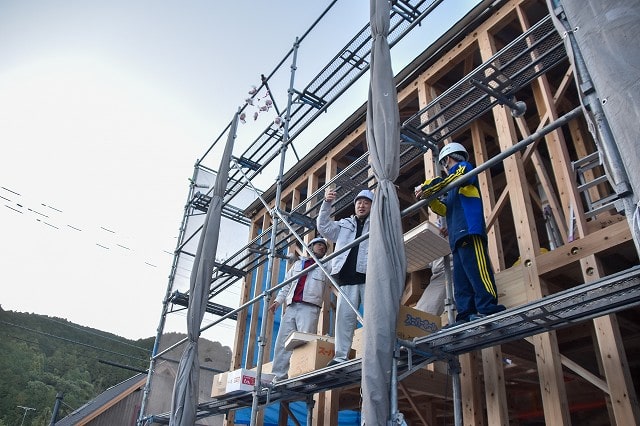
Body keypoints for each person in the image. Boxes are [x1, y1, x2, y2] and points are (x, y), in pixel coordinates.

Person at [415, 142, 505, 327]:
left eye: (444, 165)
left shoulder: (463, 169)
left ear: (447, 159)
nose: (445, 169)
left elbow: (457, 176)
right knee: (461, 279)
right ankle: (465, 314)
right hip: (456, 237)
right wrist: (430, 199)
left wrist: (428, 187)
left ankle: (488, 308)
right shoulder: (452, 189)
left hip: (470, 231)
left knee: (479, 272)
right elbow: (443, 209)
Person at [316, 188, 373, 365]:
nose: (361, 206)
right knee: (344, 320)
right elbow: (323, 227)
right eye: (358, 202)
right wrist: (326, 203)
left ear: (372, 205)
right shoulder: (344, 224)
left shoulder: (378, 222)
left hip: (368, 277)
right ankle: (340, 357)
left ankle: (374, 353)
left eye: (366, 202)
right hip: (346, 279)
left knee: (373, 316)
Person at [269, 237, 329, 381]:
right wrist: (278, 301)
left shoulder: (326, 265)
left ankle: (303, 374)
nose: (322, 248)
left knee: (305, 342)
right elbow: (287, 285)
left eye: (324, 247)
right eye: (319, 245)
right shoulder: (297, 265)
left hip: (309, 308)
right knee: (283, 342)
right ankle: (278, 376)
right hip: (291, 307)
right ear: (310, 246)